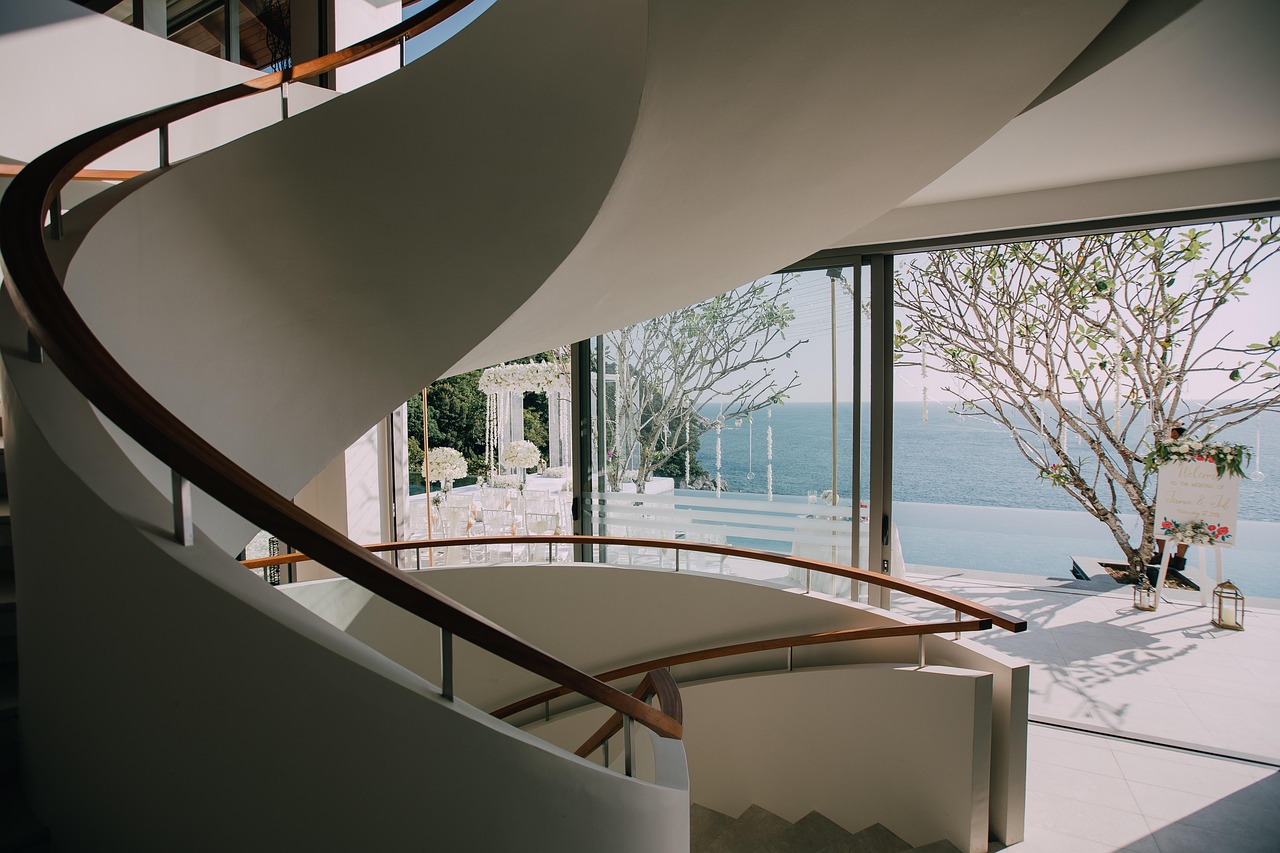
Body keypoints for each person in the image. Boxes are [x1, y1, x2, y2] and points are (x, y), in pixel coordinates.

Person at [1151, 423, 1189, 579]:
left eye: (1171, 431)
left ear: (1175, 433)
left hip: (1173, 491)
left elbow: (1154, 462)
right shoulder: (1188, 450)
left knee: (1164, 521)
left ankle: (1164, 554)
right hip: (1183, 490)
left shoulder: (1171, 450)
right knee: (1184, 525)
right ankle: (1177, 558)